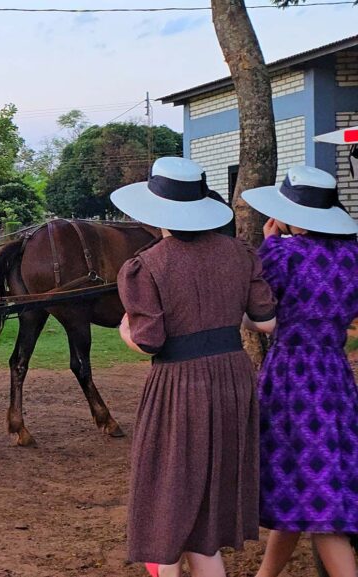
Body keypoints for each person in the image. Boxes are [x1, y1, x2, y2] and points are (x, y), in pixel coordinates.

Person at [111, 157, 277, 577]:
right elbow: (264, 320)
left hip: (179, 385)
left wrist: (124, 331)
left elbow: (150, 341)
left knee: (168, 494)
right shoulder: (240, 253)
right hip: (234, 379)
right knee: (203, 514)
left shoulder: (145, 266)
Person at [240, 166, 358, 577]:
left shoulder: (280, 254)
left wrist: (267, 244)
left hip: (290, 377)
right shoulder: (353, 257)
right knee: (306, 490)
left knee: (316, 497)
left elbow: (257, 310)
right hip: (335, 376)